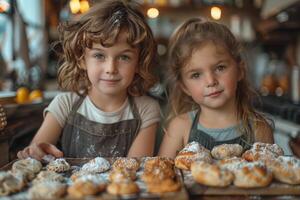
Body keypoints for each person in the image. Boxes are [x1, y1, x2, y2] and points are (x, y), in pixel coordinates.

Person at [17, 0, 160, 160]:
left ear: (139, 63)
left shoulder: (146, 110)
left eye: (124, 57)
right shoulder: (65, 104)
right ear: (82, 59)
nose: (110, 68)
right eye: (99, 55)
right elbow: (33, 156)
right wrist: (35, 153)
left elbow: (136, 169)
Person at [159, 17, 274, 158]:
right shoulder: (180, 128)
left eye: (220, 68)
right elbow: (162, 174)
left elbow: (269, 176)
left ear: (240, 70)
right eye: (196, 75)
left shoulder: (259, 129)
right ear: (184, 87)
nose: (211, 81)